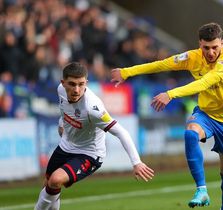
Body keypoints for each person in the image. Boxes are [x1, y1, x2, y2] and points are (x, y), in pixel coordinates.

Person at [111, 22, 223, 210]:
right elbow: (162, 64)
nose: (211, 52)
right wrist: (127, 72)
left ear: (222, 42)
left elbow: (204, 82)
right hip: (206, 114)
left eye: (215, 47)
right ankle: (201, 189)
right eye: (206, 48)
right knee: (190, 133)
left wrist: (170, 94)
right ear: (200, 44)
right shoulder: (192, 57)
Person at [34, 62, 154, 210]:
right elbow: (65, 110)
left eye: (81, 84)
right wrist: (62, 123)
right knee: (49, 185)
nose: (77, 90)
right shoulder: (60, 91)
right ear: (63, 83)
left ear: (87, 83)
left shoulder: (93, 108)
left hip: (89, 154)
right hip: (66, 146)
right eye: (72, 84)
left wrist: (136, 162)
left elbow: (121, 132)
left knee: (56, 179)